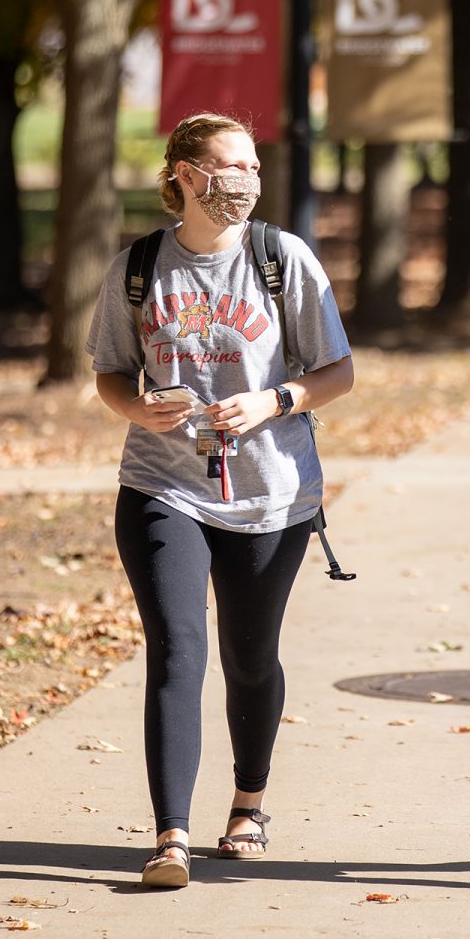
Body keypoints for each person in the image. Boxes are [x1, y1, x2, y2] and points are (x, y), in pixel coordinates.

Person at [86, 112, 354, 888]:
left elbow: (337, 371)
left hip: (273, 494)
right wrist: (137, 409)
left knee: (248, 656)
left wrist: (275, 401)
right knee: (177, 650)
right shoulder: (138, 269)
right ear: (183, 174)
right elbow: (110, 370)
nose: (244, 181)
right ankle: (169, 835)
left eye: (253, 168)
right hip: (162, 485)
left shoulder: (282, 259)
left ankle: (248, 803)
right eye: (228, 166)